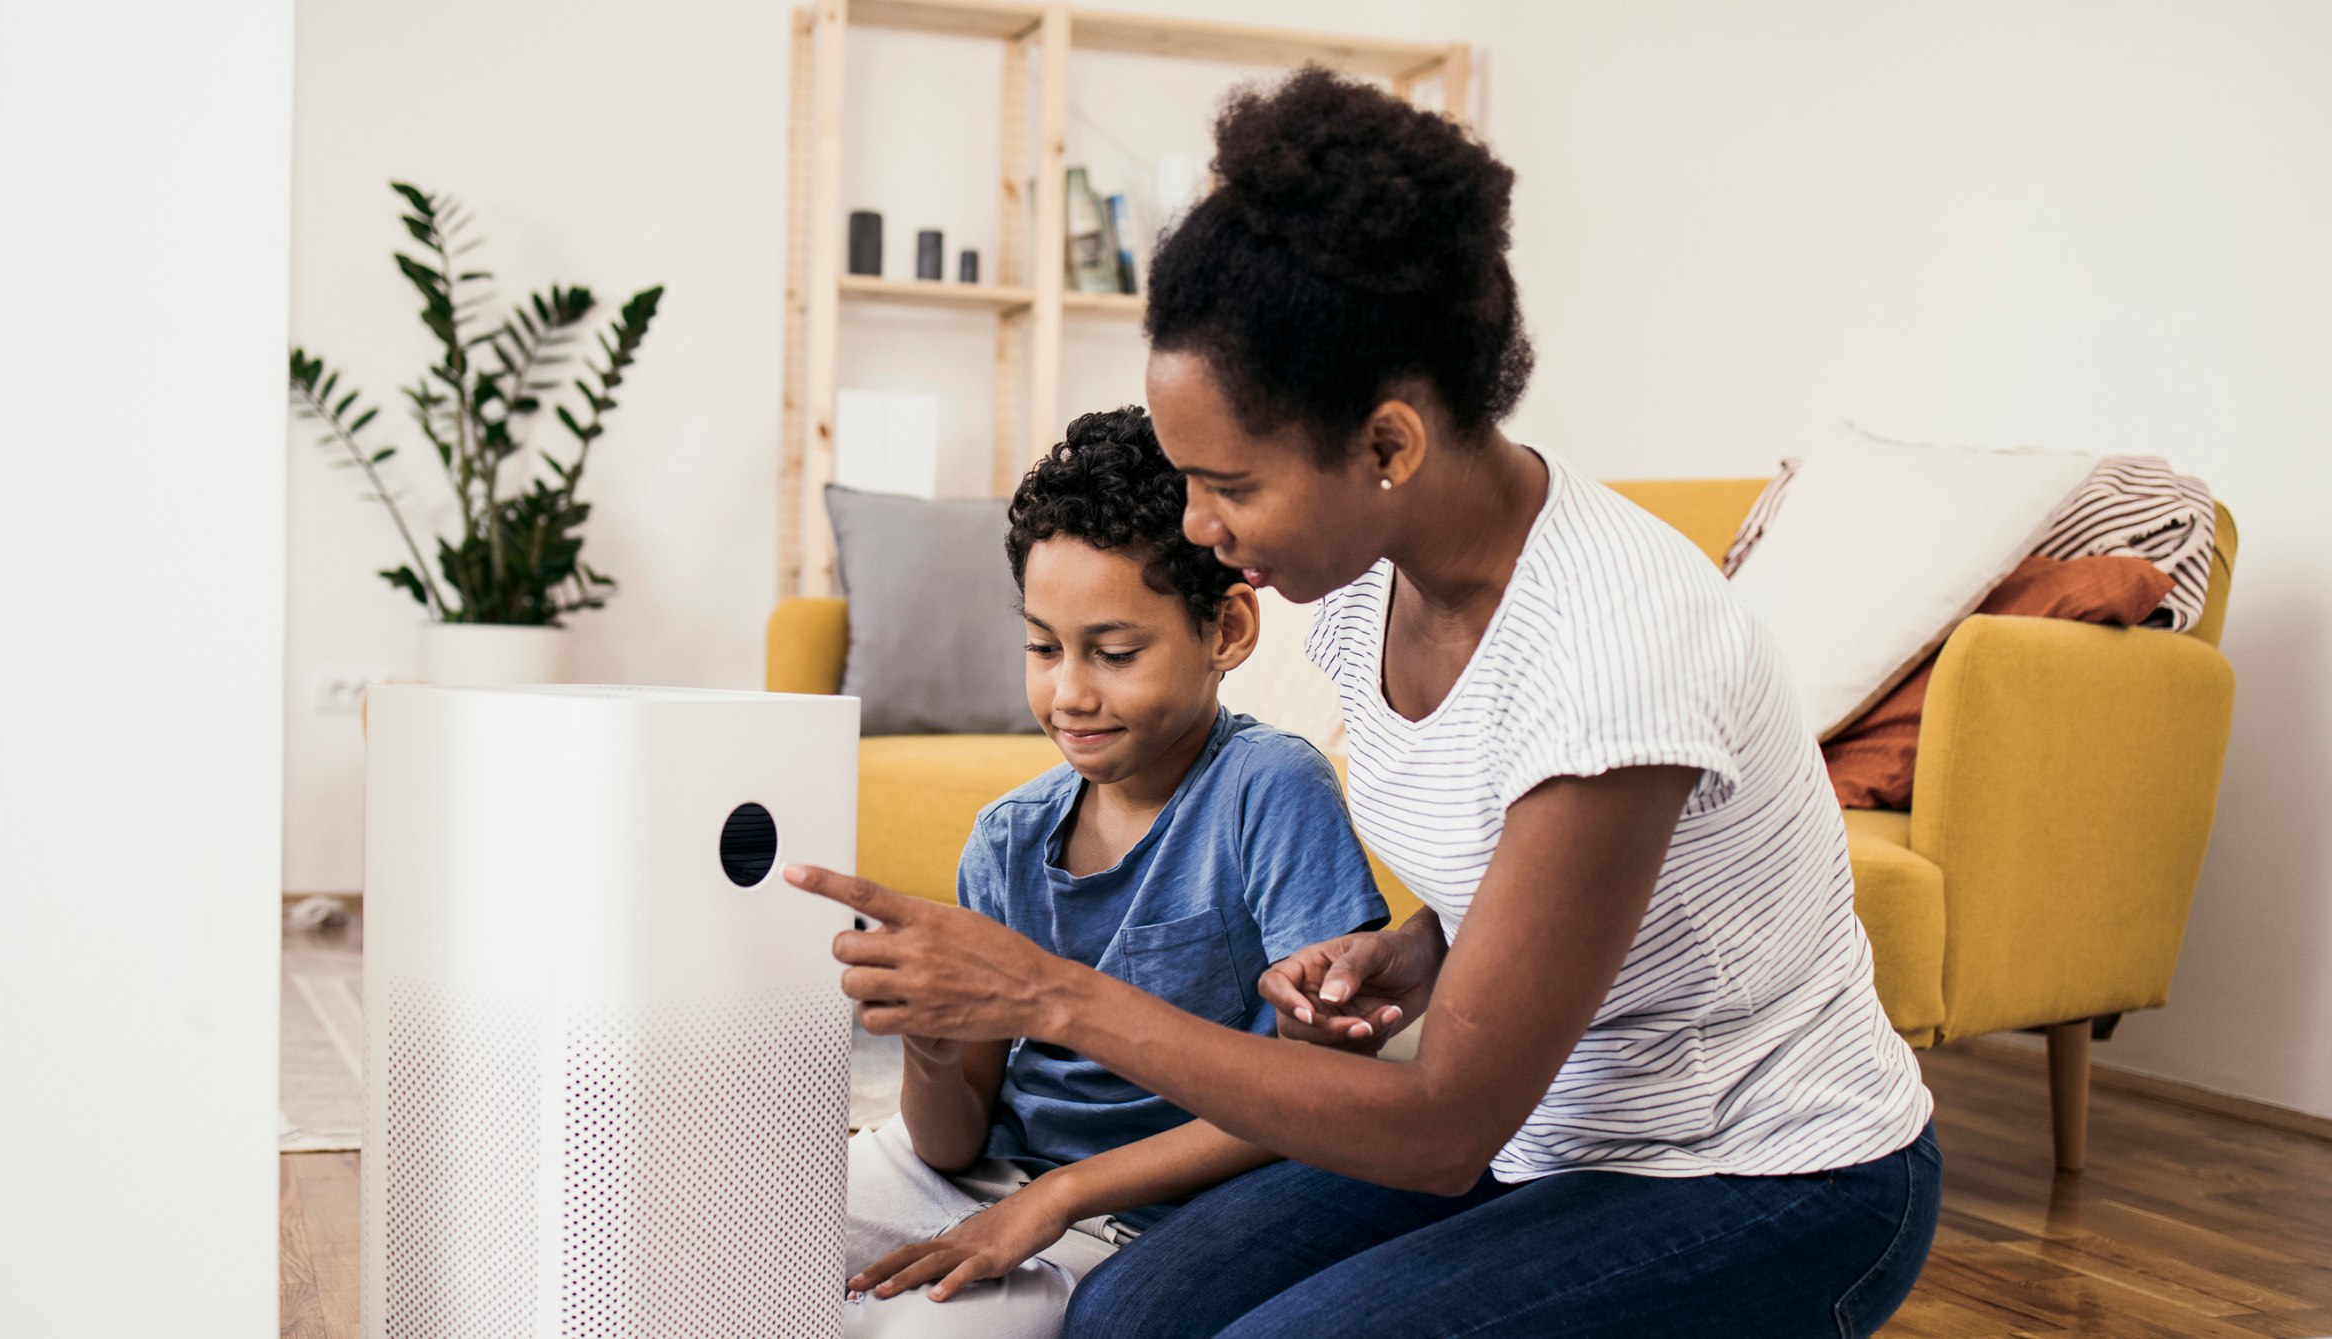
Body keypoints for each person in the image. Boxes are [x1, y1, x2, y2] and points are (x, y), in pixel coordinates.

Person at [796, 67, 1940, 1338]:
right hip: (1548, 1136)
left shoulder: (1620, 652)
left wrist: (1046, 995)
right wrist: (1417, 944)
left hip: (1769, 1174)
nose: (1195, 525)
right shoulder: (1360, 585)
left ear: (1389, 446)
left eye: (1226, 483)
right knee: (1124, 1318)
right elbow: (1543, 881)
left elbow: (1445, 1124)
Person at [840, 407, 1391, 1338]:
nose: (1070, 693)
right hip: (990, 1169)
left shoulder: (1271, 790)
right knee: (741, 1226)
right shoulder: (1006, 838)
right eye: (1044, 647)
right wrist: (929, 1046)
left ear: (1226, 629)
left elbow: (1325, 1100)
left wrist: (1060, 1194)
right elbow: (953, 1137)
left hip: (1138, 1209)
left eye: (1116, 651)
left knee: (923, 1329)